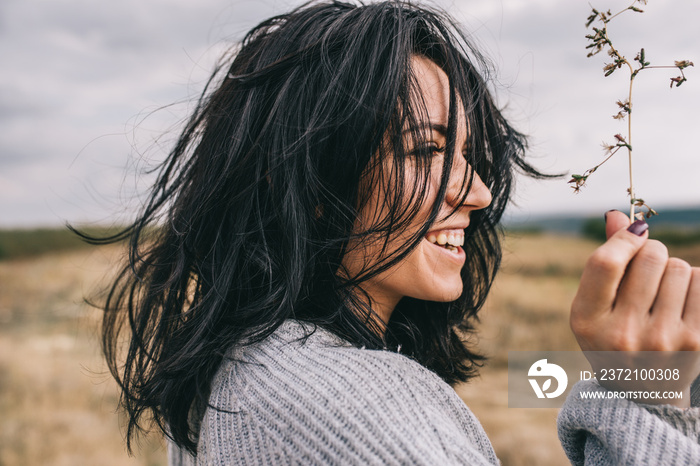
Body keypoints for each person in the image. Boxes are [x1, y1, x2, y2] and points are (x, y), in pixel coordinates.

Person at [84, 1, 700, 464]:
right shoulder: (353, 413)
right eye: (425, 150)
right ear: (307, 179)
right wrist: (648, 393)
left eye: (470, 158)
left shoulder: (242, 371)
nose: (479, 194)